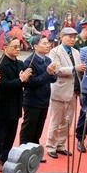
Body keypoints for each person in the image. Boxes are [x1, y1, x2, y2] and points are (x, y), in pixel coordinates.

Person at [0, 36, 31, 172]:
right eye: (14, 47)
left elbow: (24, 81)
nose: (18, 49)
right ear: (5, 47)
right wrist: (21, 80)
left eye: (19, 46)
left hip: (17, 102)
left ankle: (5, 157)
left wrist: (25, 79)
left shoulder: (20, 63)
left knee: (11, 133)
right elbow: (2, 85)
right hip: (3, 103)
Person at [45, 27, 86, 159]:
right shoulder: (55, 51)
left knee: (68, 121)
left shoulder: (76, 52)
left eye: (74, 37)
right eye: (70, 37)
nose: (73, 39)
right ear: (62, 37)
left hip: (73, 91)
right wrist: (74, 68)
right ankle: (51, 146)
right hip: (60, 90)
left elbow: (79, 70)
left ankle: (61, 145)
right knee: (56, 121)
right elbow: (56, 69)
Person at [19, 35, 58, 163]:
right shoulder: (29, 62)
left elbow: (53, 78)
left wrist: (51, 73)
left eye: (48, 43)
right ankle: (23, 153)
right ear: (35, 46)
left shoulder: (47, 60)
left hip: (44, 99)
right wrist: (47, 73)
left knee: (38, 128)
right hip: (32, 100)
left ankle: (35, 152)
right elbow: (31, 83)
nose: (48, 45)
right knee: (29, 128)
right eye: (44, 43)